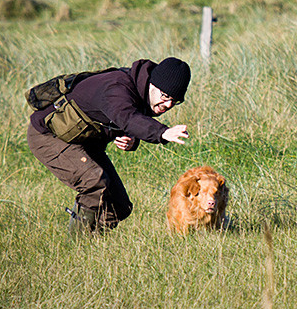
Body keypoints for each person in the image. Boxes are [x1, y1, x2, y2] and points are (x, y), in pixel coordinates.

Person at [27, 57, 192, 236]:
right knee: (94, 181)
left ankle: (94, 245)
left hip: (84, 141)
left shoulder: (144, 94)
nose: (167, 105)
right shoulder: (117, 87)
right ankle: (77, 246)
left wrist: (130, 139)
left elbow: (127, 122)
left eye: (174, 101)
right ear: (152, 83)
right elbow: (128, 117)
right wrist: (162, 132)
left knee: (119, 205)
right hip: (48, 136)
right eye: (165, 96)